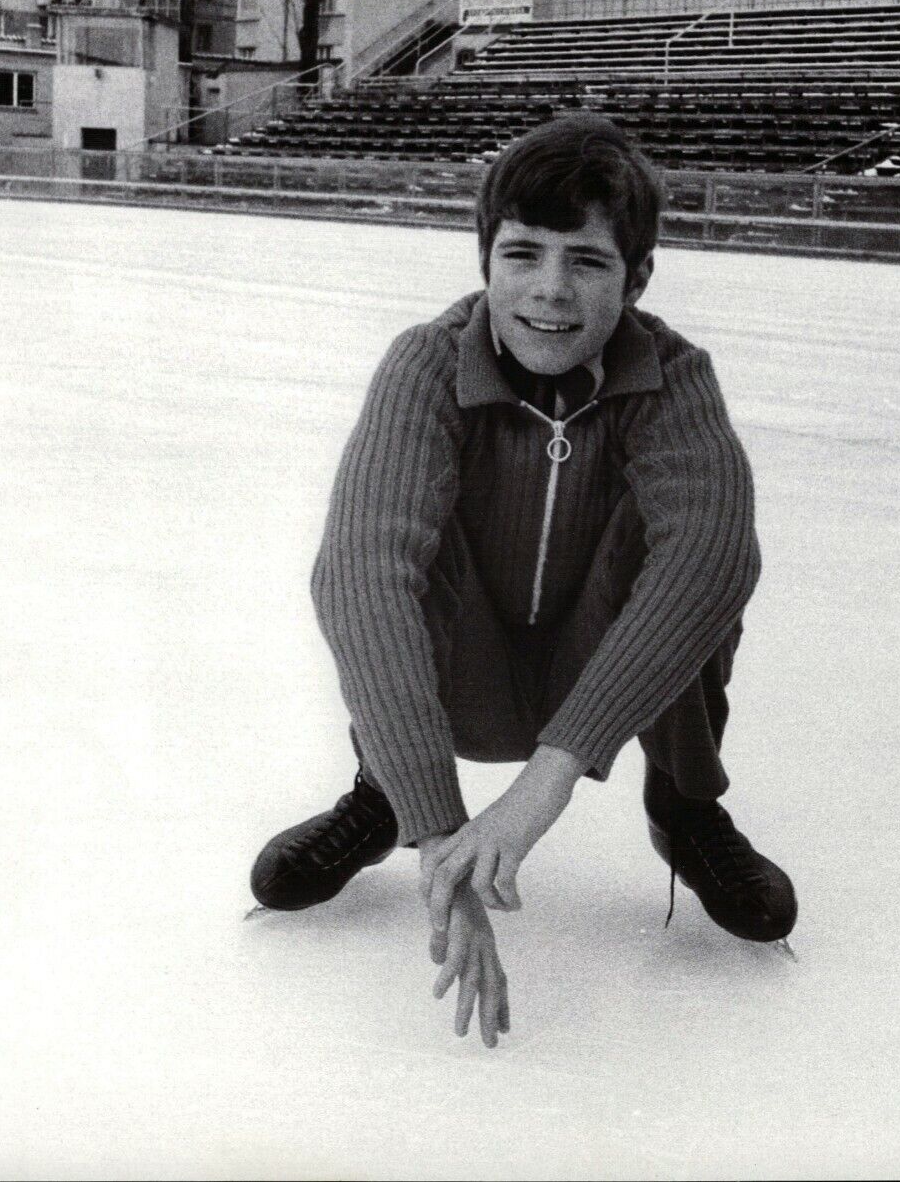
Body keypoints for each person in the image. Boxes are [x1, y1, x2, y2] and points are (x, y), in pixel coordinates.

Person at [247, 113, 797, 1048]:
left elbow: (714, 555)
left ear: (638, 276)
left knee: (701, 551)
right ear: (484, 261)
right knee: (386, 557)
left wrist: (547, 782)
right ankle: (385, 793)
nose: (549, 291)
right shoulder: (426, 364)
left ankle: (685, 805)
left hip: (603, 676)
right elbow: (361, 579)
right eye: (522, 255)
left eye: (586, 261)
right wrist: (440, 844)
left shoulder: (673, 378)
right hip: (475, 665)